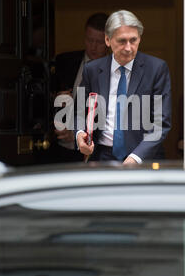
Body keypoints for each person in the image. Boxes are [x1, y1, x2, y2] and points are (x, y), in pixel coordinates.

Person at [76, 10, 171, 164]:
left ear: (140, 38)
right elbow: (79, 111)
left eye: (133, 40)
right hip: (102, 157)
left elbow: (161, 124)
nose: (128, 47)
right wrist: (80, 134)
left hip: (143, 158)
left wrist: (136, 158)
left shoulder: (156, 69)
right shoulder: (92, 70)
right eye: (122, 41)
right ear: (107, 40)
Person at [51, 12, 109, 162]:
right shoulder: (64, 62)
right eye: (90, 40)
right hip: (59, 149)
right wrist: (56, 98)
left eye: (99, 42)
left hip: (96, 155)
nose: (93, 47)